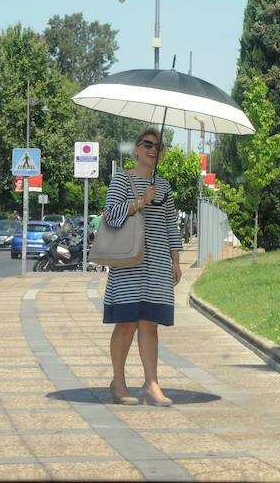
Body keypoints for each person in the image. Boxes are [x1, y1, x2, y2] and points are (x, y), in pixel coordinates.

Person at [102, 127, 183, 406]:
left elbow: (171, 225)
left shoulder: (164, 186)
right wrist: (140, 202)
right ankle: (118, 383)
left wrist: (175, 260)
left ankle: (151, 385)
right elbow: (110, 216)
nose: (152, 149)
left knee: (150, 325)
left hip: (158, 266)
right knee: (126, 324)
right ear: (136, 149)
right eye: (147, 144)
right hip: (128, 264)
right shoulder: (121, 180)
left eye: (157, 146)